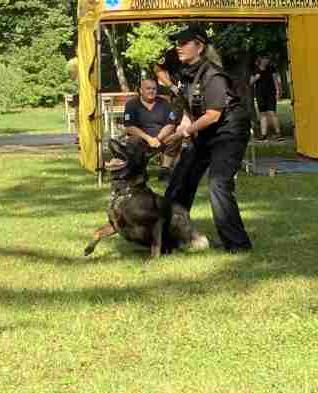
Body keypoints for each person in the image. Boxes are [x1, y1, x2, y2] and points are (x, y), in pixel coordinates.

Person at [162, 26, 253, 253]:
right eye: (177, 43)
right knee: (180, 178)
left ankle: (238, 245)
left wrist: (184, 133)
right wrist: (177, 132)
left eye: (183, 42)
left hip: (229, 133)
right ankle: (168, 236)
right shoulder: (186, 73)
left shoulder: (214, 75)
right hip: (205, 131)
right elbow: (188, 111)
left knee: (218, 183)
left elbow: (213, 115)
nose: (178, 47)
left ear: (200, 46)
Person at [121, 76, 179, 173]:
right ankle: (137, 170)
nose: (151, 91)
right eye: (148, 88)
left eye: (154, 89)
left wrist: (158, 138)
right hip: (142, 139)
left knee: (175, 137)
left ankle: (165, 170)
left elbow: (171, 124)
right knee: (133, 140)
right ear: (140, 90)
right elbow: (129, 127)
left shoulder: (164, 103)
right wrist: (149, 139)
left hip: (161, 138)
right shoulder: (131, 104)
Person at [251, 56, 282, 140]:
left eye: (268, 58)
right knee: (262, 114)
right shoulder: (256, 68)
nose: (267, 60)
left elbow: (276, 80)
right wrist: (256, 77)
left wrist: (278, 91)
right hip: (260, 94)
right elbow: (251, 82)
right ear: (261, 59)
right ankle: (263, 135)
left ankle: (278, 133)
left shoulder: (271, 68)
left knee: (272, 112)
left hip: (270, 93)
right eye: (265, 58)